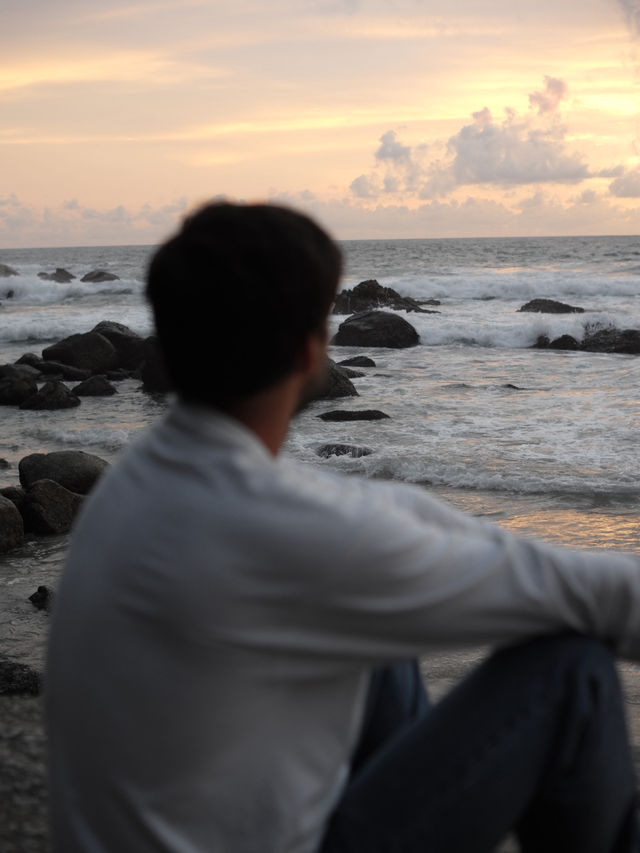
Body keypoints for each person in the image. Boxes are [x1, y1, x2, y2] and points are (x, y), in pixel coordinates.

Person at [46, 201, 640, 853]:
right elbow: (602, 597)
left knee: (380, 644)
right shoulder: (277, 530)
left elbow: (388, 524)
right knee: (571, 670)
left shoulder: (136, 484)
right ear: (311, 351)